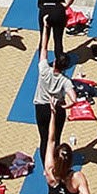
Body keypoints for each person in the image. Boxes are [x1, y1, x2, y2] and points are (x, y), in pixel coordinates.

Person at [34, 22, 79, 157]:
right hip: (57, 109)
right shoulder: (65, 81)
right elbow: (74, 99)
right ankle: (56, 161)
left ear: (54, 63)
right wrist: (64, 105)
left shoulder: (44, 70)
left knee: (44, 138)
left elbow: (43, 48)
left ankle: (45, 166)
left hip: (41, 107)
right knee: (56, 138)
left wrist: (46, 28)